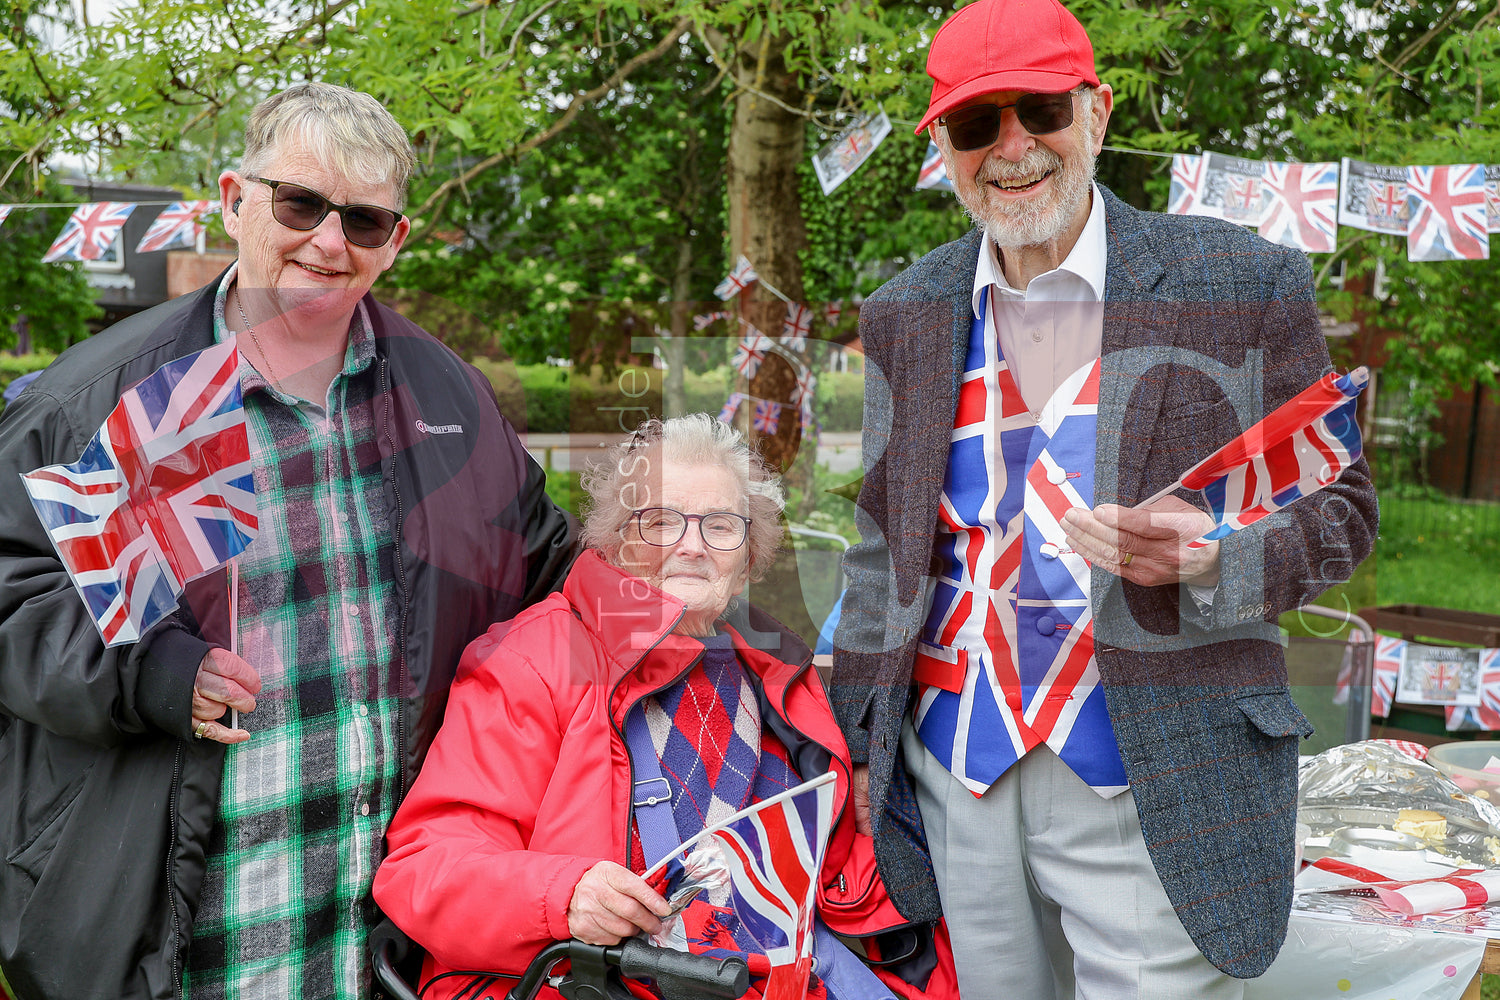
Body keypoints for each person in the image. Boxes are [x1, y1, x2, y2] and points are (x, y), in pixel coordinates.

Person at [829, 2, 1378, 998]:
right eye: (972, 124)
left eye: (1037, 110)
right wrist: (858, 742)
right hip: (956, 771)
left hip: (1157, 763)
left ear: (1097, 112)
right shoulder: (904, 309)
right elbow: (882, 552)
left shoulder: (1239, 279)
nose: (1011, 149)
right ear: (944, 146)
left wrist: (1215, 556)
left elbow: (1344, 514)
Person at [0, 82, 575, 1000]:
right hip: (174, 936)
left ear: (397, 242)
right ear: (234, 200)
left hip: (389, 944)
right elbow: (10, 594)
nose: (328, 242)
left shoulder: (448, 399)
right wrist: (146, 673)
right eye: (299, 203)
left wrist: (688, 589)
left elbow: (552, 575)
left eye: (364, 218)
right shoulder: (98, 398)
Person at [373, 415, 900, 1000]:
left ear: (751, 552)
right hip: (592, 982)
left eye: (721, 526)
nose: (693, 546)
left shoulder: (771, 669)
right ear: (616, 538)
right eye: (662, 523)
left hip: (764, 974)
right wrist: (565, 895)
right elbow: (425, 868)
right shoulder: (538, 659)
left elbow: (831, 878)